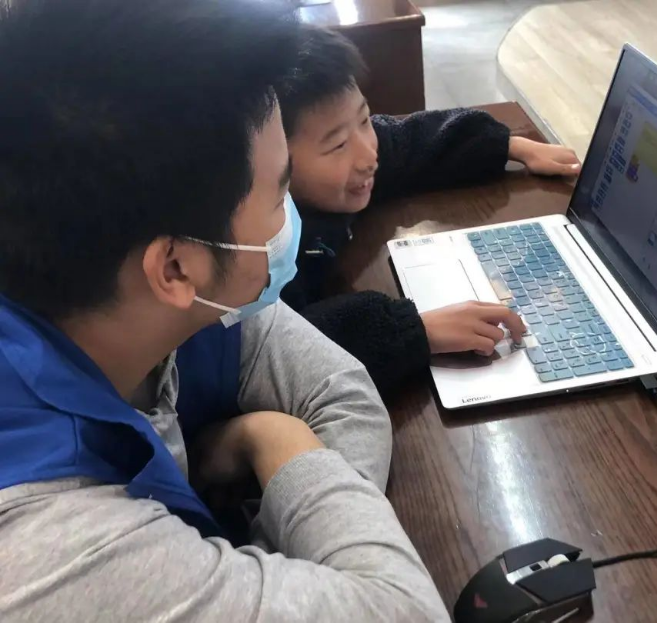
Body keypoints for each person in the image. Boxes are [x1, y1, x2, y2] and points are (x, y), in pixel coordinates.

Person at [0, 1, 447, 621]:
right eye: (280, 195)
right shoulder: (50, 546)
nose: (289, 219)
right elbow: (405, 611)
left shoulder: (151, 294)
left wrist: (264, 577)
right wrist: (279, 438)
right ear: (176, 269)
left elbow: (341, 392)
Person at [279, 26, 582, 395]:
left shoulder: (343, 169)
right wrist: (414, 331)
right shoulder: (262, 245)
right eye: (338, 144)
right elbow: (276, 353)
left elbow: (404, 140)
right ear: (269, 161)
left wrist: (510, 146)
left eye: (363, 119)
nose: (368, 155)